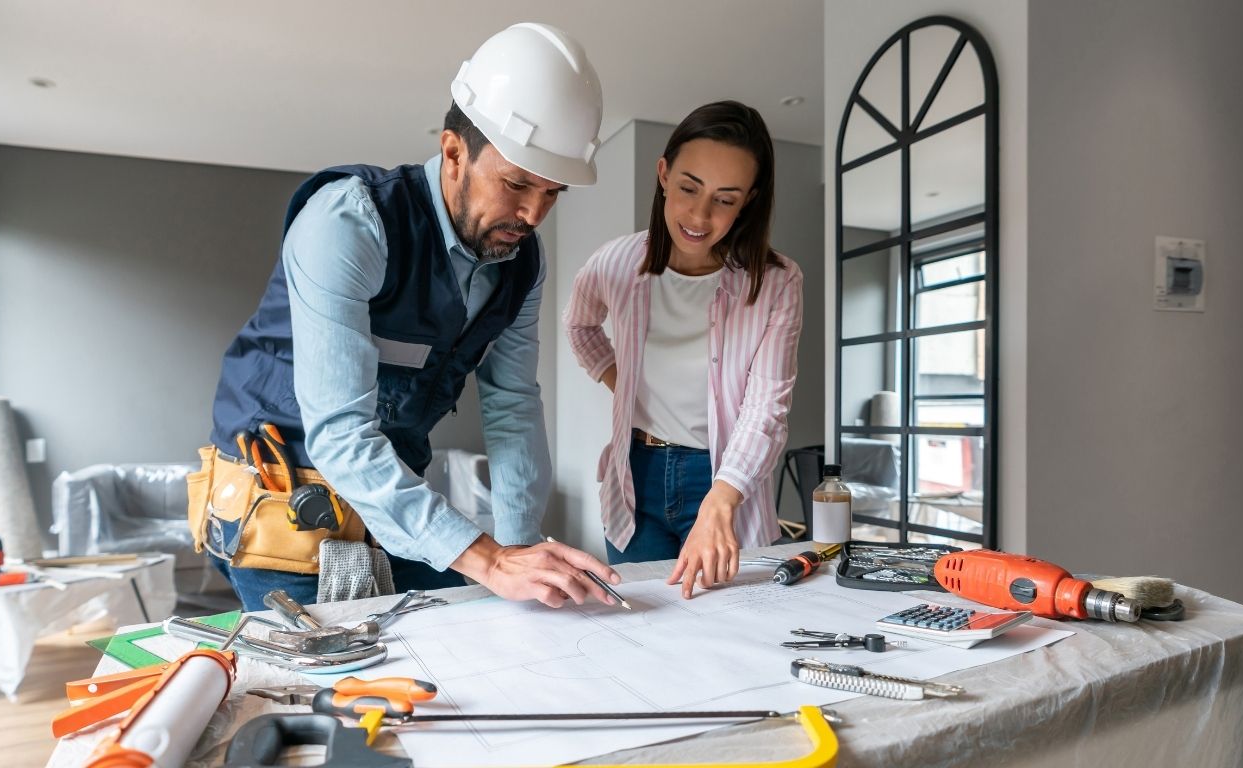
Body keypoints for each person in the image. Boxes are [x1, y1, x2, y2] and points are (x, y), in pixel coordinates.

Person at [186, 22, 620, 611]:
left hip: (391, 491)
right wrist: (487, 559)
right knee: (337, 678)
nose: (534, 213)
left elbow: (513, 405)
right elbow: (340, 435)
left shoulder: (521, 262)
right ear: (453, 152)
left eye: (553, 193)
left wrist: (521, 555)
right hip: (282, 500)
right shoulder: (347, 223)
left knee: (475, 637)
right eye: (517, 184)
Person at [563, 101, 803, 599]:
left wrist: (721, 502)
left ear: (748, 201)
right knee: (641, 625)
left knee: (725, 630)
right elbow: (580, 326)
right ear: (663, 175)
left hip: (722, 479)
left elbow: (767, 407)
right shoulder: (616, 263)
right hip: (636, 475)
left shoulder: (778, 282)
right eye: (689, 188)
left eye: (725, 199)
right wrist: (622, 382)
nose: (699, 215)